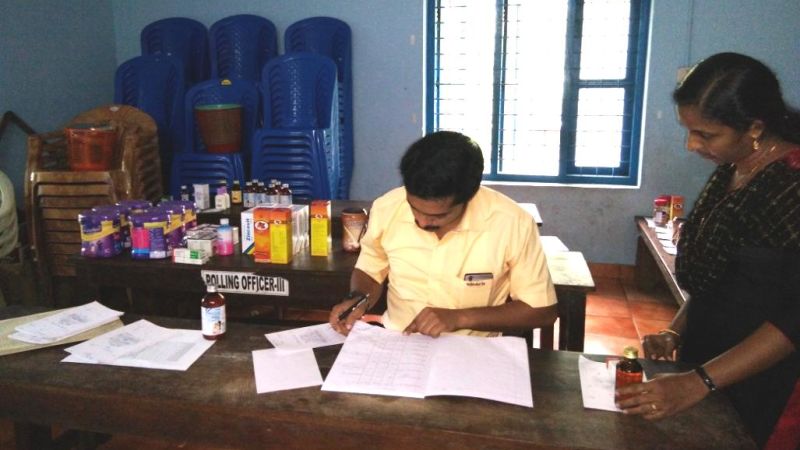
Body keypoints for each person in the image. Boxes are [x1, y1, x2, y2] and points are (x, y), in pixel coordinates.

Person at [616, 52, 800, 448]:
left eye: (706, 134)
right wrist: (676, 328)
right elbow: (722, 273)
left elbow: (793, 318)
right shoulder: (735, 166)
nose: (691, 144)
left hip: (767, 376)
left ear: (755, 127)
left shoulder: (791, 186)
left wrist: (700, 382)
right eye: (689, 130)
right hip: (713, 358)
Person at [329, 131, 557, 338]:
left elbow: (541, 311)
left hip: (472, 351)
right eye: (413, 208)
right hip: (398, 342)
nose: (422, 221)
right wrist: (359, 296)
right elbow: (371, 267)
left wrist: (459, 318)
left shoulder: (512, 223)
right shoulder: (388, 207)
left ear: (469, 197)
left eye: (438, 216)